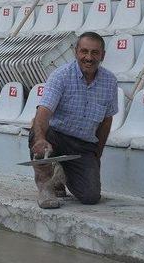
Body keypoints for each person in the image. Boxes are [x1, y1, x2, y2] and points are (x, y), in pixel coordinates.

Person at [28, 31, 118, 209]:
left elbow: (106, 122)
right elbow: (44, 112)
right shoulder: (60, 76)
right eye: (84, 51)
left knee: (91, 196)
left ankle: (60, 173)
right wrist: (39, 138)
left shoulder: (110, 81)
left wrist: (96, 156)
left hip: (82, 145)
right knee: (39, 138)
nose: (89, 57)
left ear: (103, 55)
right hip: (56, 136)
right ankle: (46, 186)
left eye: (95, 53)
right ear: (76, 52)